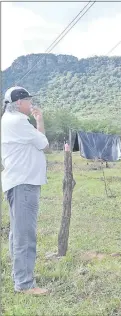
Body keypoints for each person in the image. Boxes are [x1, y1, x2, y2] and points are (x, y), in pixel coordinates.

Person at [2, 86, 49, 294]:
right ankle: (24, 284)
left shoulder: (8, 121)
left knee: (17, 233)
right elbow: (43, 143)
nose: (31, 104)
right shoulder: (18, 122)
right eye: (28, 100)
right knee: (25, 235)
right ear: (19, 103)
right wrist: (39, 121)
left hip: (18, 182)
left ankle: (19, 277)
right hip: (24, 183)